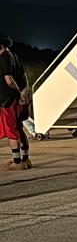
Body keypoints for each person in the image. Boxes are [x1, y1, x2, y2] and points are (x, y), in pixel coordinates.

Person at [0, 36, 32, 171]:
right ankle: (25, 159)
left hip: (8, 99)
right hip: (18, 100)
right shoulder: (15, 56)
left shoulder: (3, 57)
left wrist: (18, 92)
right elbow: (24, 77)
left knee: (11, 130)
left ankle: (17, 162)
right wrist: (24, 92)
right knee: (19, 128)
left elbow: (9, 80)